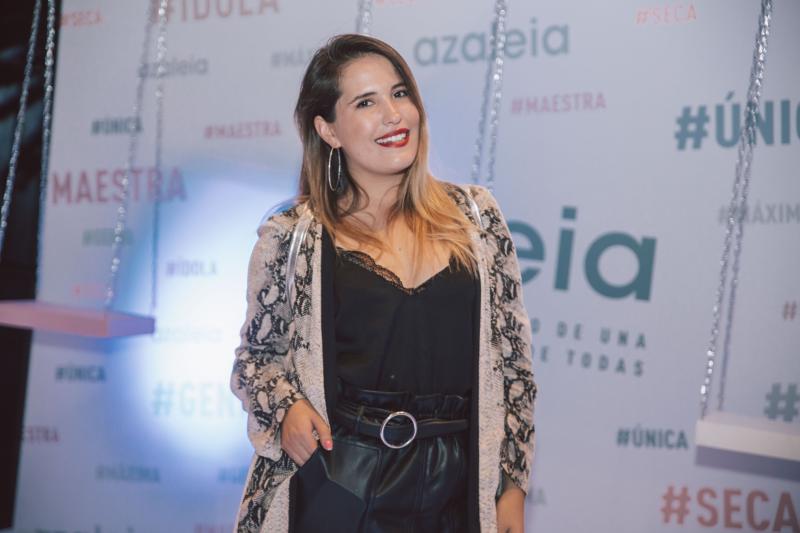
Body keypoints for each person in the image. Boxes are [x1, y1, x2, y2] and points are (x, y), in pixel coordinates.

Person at [231, 33, 536, 533]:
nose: (394, 115)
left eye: (399, 94)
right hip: (341, 482)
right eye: (366, 103)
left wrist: (512, 486)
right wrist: (287, 408)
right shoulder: (293, 237)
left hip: (458, 488)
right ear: (328, 130)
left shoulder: (478, 217)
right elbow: (255, 361)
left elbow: (514, 369)